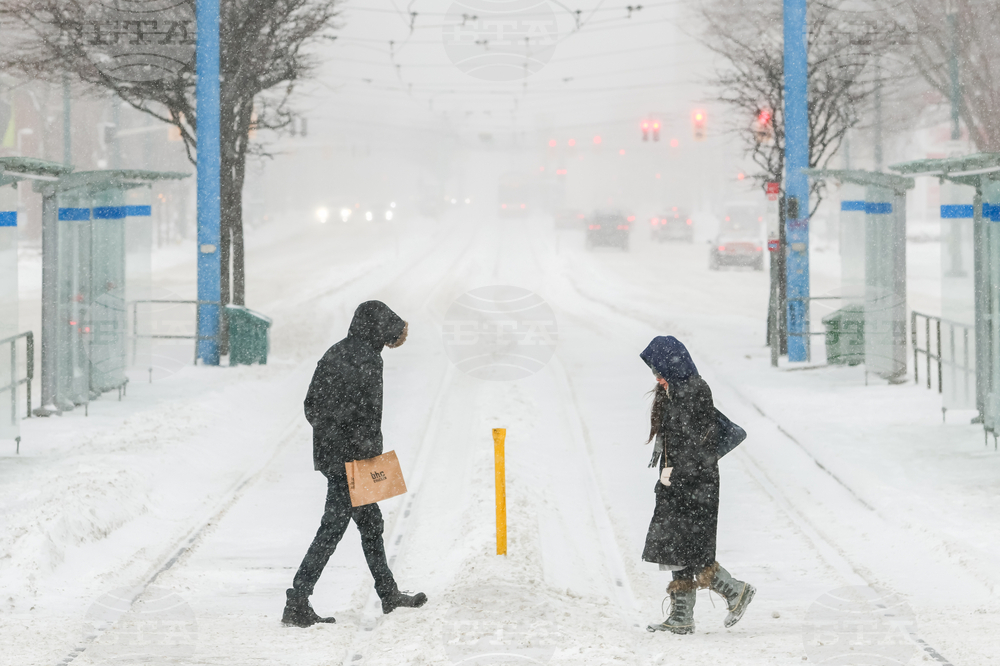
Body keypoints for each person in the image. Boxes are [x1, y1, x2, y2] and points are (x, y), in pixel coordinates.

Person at [282, 300, 427, 627]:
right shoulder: (368, 361)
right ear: (377, 329)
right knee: (332, 528)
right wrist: (361, 450)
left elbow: (311, 407)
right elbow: (367, 416)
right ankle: (298, 598)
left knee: (371, 524)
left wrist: (332, 435)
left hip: (335, 455)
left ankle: (388, 594)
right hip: (354, 459)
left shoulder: (335, 352)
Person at [639, 335, 755, 635]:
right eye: (655, 373)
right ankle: (683, 615)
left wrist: (676, 474)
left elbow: (698, 445)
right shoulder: (674, 392)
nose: (658, 378)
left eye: (660, 371)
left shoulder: (694, 391)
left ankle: (733, 590)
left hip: (695, 483)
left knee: (692, 547)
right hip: (677, 482)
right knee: (675, 546)